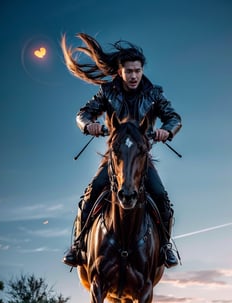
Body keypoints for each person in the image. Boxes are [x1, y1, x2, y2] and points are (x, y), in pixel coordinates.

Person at [61, 33, 182, 268]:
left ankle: (165, 246)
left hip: (141, 160)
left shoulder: (154, 93)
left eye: (138, 70)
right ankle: (77, 246)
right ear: (120, 72)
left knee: (162, 198)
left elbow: (174, 118)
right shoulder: (108, 92)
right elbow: (82, 114)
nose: (134, 75)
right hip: (115, 158)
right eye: (129, 71)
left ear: (142, 70)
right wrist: (89, 125)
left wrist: (166, 131)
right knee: (91, 194)